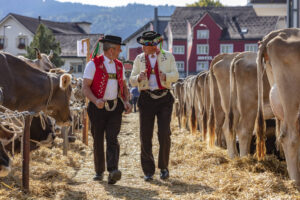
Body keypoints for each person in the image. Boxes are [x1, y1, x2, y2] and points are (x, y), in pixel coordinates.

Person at [129, 31, 179, 181]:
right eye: (143, 45)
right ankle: (148, 171)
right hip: (146, 98)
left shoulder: (168, 56)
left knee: (164, 134)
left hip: (164, 98)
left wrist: (166, 77)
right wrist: (138, 77)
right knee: (145, 135)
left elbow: (176, 75)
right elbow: (131, 80)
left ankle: (163, 167)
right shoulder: (139, 59)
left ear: (153, 46)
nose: (143, 48)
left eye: (145, 45)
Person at [82, 35, 132, 185]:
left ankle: (112, 171)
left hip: (115, 107)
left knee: (112, 138)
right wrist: (96, 100)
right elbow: (85, 87)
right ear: (111, 50)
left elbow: (123, 85)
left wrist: (127, 101)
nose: (120, 51)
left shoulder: (119, 65)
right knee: (98, 139)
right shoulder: (93, 65)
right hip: (97, 108)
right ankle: (99, 171)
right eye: (118, 49)